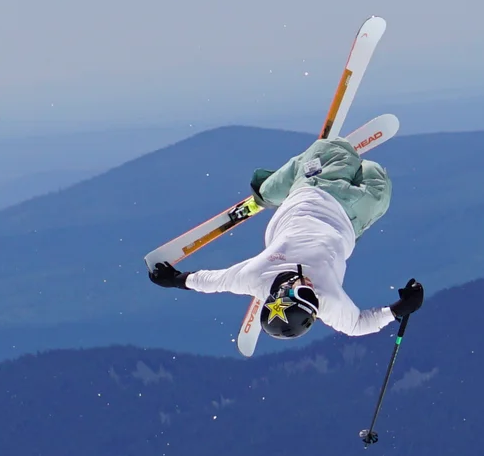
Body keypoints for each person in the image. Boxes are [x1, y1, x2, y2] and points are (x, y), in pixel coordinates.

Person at [149, 135, 422, 347]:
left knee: (336, 151)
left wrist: (175, 279)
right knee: (378, 189)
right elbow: (358, 325)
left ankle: (268, 190)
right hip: (349, 217)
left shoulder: (253, 277)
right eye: (313, 300)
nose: (311, 289)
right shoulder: (327, 299)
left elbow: (212, 282)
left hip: (306, 191)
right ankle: (276, 186)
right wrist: (400, 309)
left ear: (281, 293)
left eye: (304, 294)